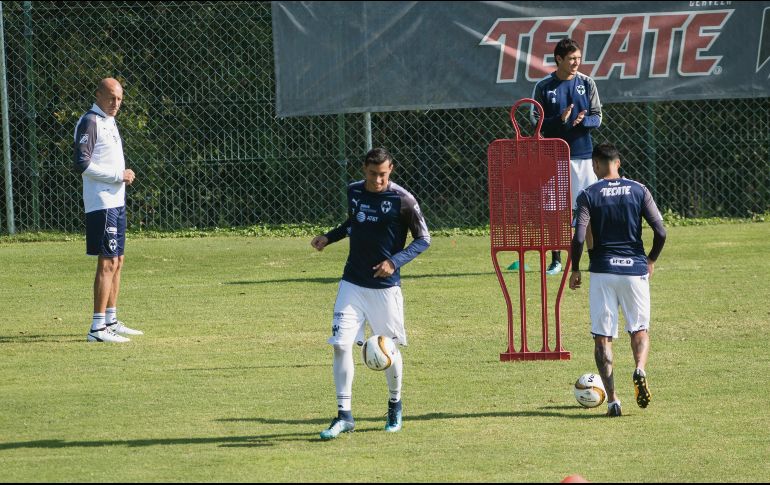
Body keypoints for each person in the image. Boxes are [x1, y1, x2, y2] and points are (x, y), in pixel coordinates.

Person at [310, 147, 431, 440]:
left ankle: (394, 404)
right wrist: (330, 237)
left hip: (384, 290)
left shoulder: (403, 200)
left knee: (388, 350)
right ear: (364, 168)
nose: (378, 180)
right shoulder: (354, 191)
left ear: (391, 171)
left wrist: (394, 261)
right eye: (373, 174)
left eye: (383, 175)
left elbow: (424, 239)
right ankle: (344, 416)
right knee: (340, 344)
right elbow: (355, 223)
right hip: (352, 282)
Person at [568, 143, 666, 417]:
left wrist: (575, 268)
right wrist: (651, 259)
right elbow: (660, 230)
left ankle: (612, 399)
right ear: (618, 162)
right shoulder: (639, 189)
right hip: (634, 270)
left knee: (603, 338)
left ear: (595, 165)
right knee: (639, 330)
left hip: (602, 271)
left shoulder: (588, 194)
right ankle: (639, 369)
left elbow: (578, 237)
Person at [73, 78, 143, 343]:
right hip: (101, 204)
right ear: (98, 94)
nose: (116, 104)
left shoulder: (109, 121)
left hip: (116, 202)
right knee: (107, 261)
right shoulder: (90, 121)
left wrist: (121, 178)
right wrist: (118, 176)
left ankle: (111, 320)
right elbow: (82, 164)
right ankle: (97, 328)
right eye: (111, 98)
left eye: (120, 99)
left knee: (118, 260)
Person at [531, 37, 602, 275]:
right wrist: (560, 120)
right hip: (553, 158)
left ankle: (594, 257)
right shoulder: (544, 86)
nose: (576, 62)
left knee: (587, 210)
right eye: (571, 58)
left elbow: (598, 117)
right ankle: (556, 260)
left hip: (583, 157)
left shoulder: (587, 82)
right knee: (553, 212)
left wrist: (583, 121)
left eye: (578, 58)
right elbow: (535, 121)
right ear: (559, 59)